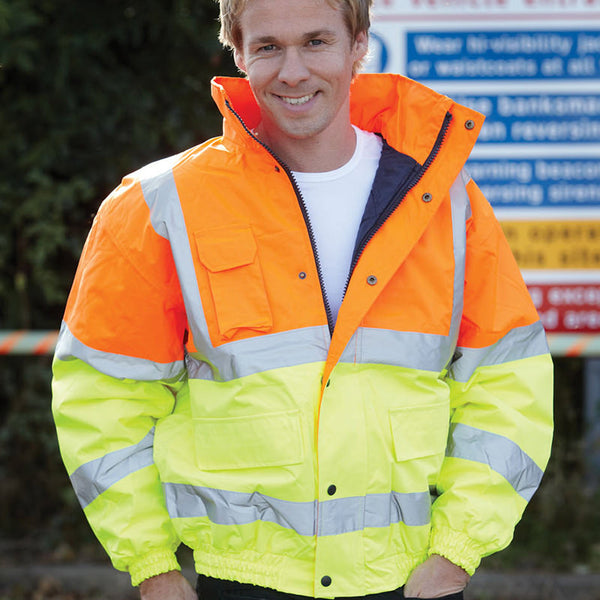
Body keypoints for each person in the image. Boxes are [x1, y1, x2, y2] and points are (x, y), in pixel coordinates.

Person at [51, 0, 554, 599]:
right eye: (268, 47)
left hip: (410, 581)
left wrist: (457, 552)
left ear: (358, 44)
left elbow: (508, 384)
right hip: (239, 583)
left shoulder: (446, 202)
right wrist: (153, 566)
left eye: (316, 41)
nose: (293, 72)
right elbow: (103, 396)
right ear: (238, 53)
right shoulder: (157, 205)